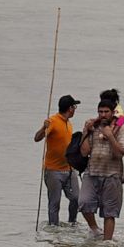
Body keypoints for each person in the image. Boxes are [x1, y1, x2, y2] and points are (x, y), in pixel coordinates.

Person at [78, 98, 124, 240]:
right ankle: (95, 229)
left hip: (112, 174)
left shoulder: (122, 127)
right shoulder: (93, 127)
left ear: (112, 112)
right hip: (92, 172)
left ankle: (107, 242)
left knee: (109, 212)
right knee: (83, 203)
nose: (103, 115)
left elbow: (120, 153)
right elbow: (84, 152)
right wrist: (85, 132)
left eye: (106, 112)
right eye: (100, 111)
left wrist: (110, 136)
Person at [33, 94, 80, 226]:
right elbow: (37, 138)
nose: (75, 109)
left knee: (77, 198)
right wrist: (43, 127)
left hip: (69, 169)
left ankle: (72, 223)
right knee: (55, 203)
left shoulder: (69, 123)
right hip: (53, 170)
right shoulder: (53, 121)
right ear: (70, 108)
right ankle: (54, 228)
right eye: (74, 106)